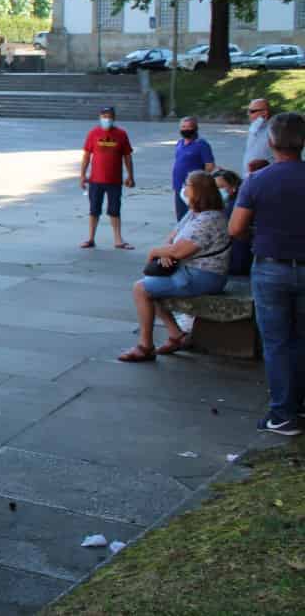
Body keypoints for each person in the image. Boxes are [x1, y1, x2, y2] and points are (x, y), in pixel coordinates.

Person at [229, 112, 305, 436]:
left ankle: (283, 413)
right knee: (301, 339)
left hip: (271, 266)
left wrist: (257, 237)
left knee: (276, 342)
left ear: (271, 142)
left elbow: (235, 228)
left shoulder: (257, 181)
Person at [117, 171, 231, 362]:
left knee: (141, 289)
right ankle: (176, 335)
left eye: (187, 185)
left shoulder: (208, 220)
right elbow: (173, 238)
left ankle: (145, 346)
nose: (184, 189)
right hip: (190, 269)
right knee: (151, 285)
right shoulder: (194, 213)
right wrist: (166, 254)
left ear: (198, 191)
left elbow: (179, 252)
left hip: (203, 275)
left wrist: (157, 253)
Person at [80, 105, 136, 250]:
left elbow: (127, 157)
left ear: (114, 118)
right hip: (95, 180)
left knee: (115, 210)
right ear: (100, 117)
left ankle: (118, 239)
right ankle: (90, 238)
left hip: (114, 180)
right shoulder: (93, 133)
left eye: (109, 116)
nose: (107, 119)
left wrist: (130, 176)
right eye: (104, 116)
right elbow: (86, 155)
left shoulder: (121, 134)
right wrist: (82, 175)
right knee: (94, 210)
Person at [172, 116, 216, 220]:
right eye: (183, 127)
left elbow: (210, 166)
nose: (186, 130)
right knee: (181, 217)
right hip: (179, 186)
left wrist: (201, 183)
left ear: (195, 128)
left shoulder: (202, 144)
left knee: (193, 216)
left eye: (189, 127)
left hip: (194, 187)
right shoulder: (179, 143)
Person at [214, 169, 253, 276]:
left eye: (221, 187)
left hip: (238, 260)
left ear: (233, 187)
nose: (217, 191)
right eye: (214, 188)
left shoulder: (234, 206)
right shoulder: (231, 203)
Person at [243, 98, 273, 174]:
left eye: (252, 111)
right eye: (248, 111)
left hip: (265, 176)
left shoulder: (274, 130)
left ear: (265, 112)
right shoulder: (254, 126)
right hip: (249, 176)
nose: (248, 114)